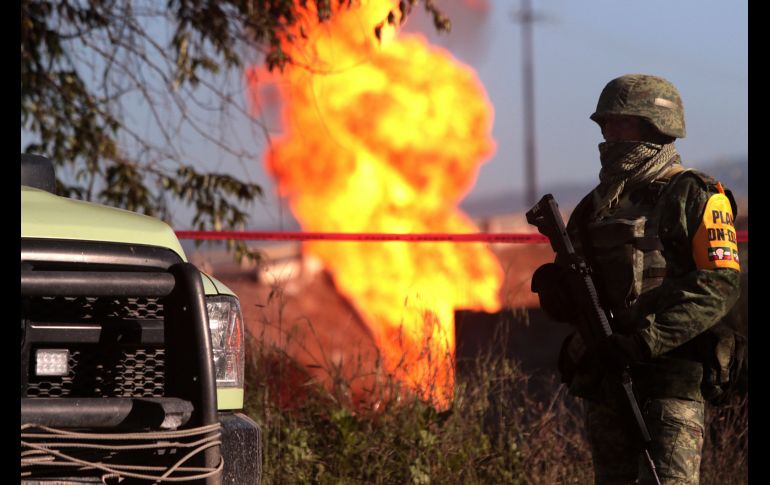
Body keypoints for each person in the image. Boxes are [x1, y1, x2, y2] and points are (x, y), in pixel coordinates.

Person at [531, 74, 742, 484]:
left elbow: (719, 285)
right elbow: (578, 289)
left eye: (620, 122)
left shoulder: (695, 195)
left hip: (671, 380)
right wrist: (558, 293)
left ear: (654, 126)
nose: (609, 133)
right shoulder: (594, 207)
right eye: (605, 123)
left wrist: (645, 341)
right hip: (608, 383)